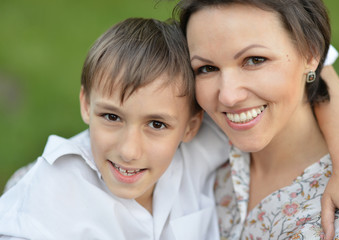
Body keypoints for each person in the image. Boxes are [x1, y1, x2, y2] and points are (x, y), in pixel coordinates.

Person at [0, 18, 230, 239]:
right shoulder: (52, 190)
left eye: (156, 124)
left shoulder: (202, 152)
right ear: (86, 104)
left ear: (191, 127)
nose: (129, 151)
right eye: (112, 117)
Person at [175, 0, 339, 239]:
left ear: (312, 53)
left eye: (254, 60)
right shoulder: (196, 140)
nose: (229, 96)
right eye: (207, 68)